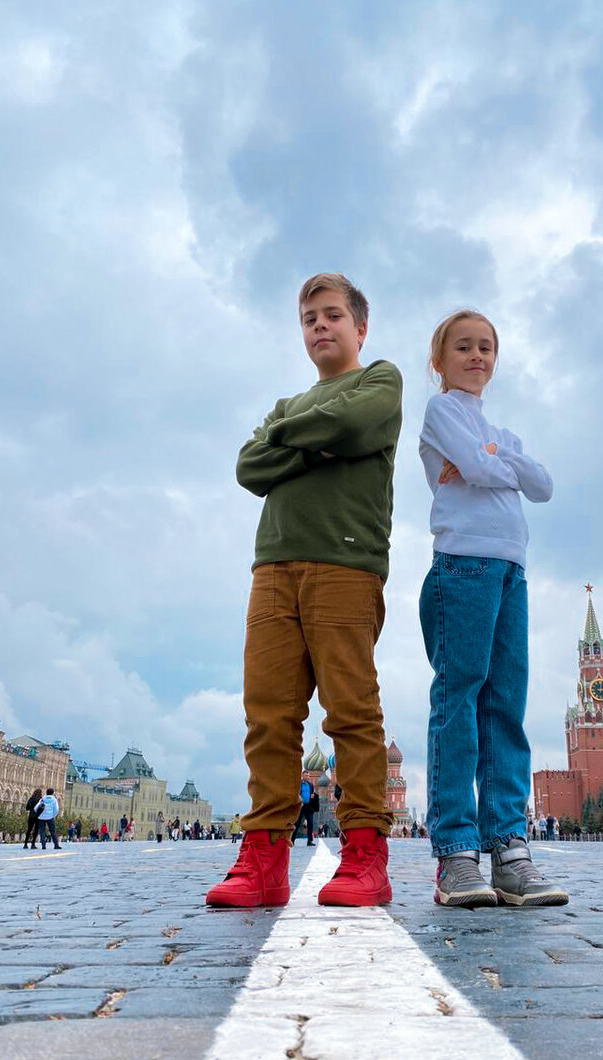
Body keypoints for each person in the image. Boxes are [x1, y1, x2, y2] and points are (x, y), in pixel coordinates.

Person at [206, 273, 402, 910]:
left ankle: (366, 856)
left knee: (351, 712)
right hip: (272, 569)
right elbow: (247, 467)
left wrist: (295, 438)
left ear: (359, 327)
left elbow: (356, 420)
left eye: (332, 315)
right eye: (309, 318)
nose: (320, 326)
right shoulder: (288, 405)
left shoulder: (381, 380)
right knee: (267, 715)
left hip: (346, 564)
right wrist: (320, 442)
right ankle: (263, 858)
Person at [418, 309, 567, 909]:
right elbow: (483, 469)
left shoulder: (499, 432)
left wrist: (493, 462)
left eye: (486, 348)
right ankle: (456, 852)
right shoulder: (442, 411)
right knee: (459, 701)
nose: (477, 356)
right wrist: (492, 465)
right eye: (463, 347)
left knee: (506, 705)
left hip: (512, 572)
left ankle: (508, 848)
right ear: (441, 360)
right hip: (463, 567)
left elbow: (543, 484)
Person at [292, 779, 318, 847]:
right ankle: (292, 840)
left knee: (310, 823)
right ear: (303, 776)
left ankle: (310, 841)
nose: (308, 777)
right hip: (300, 806)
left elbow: (312, 794)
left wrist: (313, 797)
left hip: (308, 806)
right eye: (306, 775)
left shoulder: (310, 785)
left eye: (308, 776)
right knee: (297, 823)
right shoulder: (299, 784)